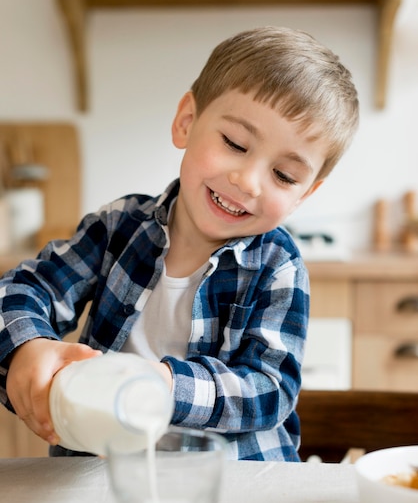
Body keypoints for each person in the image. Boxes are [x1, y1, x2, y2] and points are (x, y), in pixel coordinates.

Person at [0, 26, 359, 460]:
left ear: (304, 194)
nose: (247, 181)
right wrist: (26, 346)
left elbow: (268, 390)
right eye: (235, 144)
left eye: (283, 176)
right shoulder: (117, 226)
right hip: (101, 478)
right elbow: (24, 291)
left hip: (238, 488)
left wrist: (162, 385)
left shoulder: (278, 266)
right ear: (186, 121)